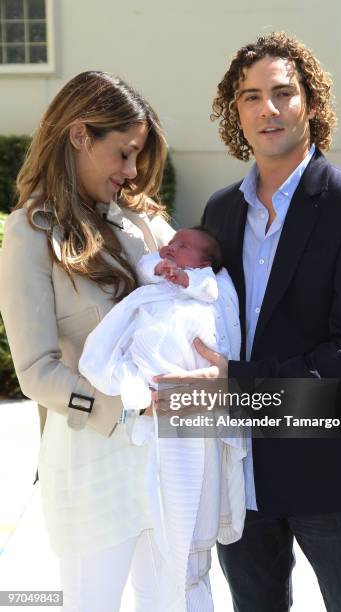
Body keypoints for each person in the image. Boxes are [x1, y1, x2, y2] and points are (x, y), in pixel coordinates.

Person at [156, 32, 341, 611]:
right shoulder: (221, 210)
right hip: (240, 469)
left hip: (328, 461)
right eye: (250, 96)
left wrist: (238, 382)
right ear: (234, 112)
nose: (268, 109)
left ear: (310, 103)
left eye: (283, 93)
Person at [0, 70, 184, 612]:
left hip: (162, 452)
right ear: (80, 135)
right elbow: (36, 370)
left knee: (168, 599)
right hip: (91, 457)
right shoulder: (29, 231)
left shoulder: (139, 223)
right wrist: (122, 408)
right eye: (124, 154)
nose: (132, 172)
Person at [78, 225, 246, 611]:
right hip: (154, 377)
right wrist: (163, 268)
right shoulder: (156, 274)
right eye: (171, 243)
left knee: (185, 516)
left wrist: (183, 278)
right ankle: (139, 387)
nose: (171, 248)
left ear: (205, 262)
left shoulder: (205, 282)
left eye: (184, 246)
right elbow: (145, 265)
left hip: (191, 391)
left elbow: (206, 290)